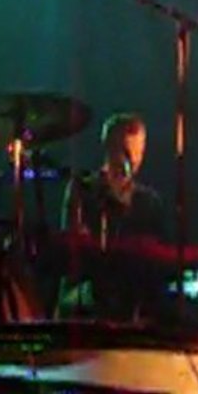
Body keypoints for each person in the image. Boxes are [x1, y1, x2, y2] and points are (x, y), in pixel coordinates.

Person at [56, 112, 168, 322]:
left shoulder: (149, 201)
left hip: (131, 295)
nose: (133, 160)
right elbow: (75, 249)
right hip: (83, 292)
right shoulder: (83, 188)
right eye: (126, 152)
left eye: (139, 152)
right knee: (104, 291)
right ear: (109, 148)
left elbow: (157, 255)